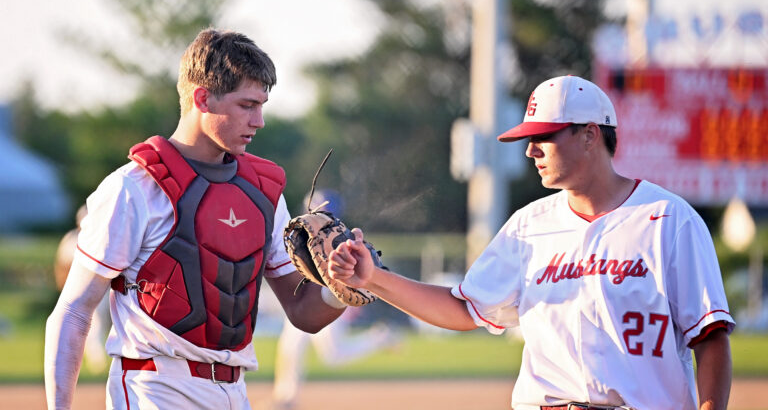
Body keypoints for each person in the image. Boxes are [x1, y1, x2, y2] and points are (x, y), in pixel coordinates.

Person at [328, 75, 735, 410]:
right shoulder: (529, 226)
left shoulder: (669, 220)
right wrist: (373, 277)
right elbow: (464, 308)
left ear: (589, 135)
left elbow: (709, 337)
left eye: (544, 136)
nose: (530, 150)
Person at [44, 28, 347, 410]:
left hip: (235, 392)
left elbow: (303, 312)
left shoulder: (264, 191)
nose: (259, 120)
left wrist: (342, 285)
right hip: (155, 389)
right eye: (247, 105)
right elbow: (72, 311)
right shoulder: (134, 188)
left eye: (262, 105)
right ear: (202, 98)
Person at [271, 189, 400, 410]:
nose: (316, 215)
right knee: (291, 346)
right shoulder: (300, 232)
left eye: (322, 211)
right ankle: (286, 398)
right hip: (303, 298)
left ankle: (380, 337)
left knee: (333, 355)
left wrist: (348, 302)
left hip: (327, 301)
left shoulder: (339, 238)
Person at [52, 205, 111, 373]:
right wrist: (63, 287)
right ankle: (96, 359)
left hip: (102, 286)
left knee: (104, 320)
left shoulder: (102, 236)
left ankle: (100, 356)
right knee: (92, 322)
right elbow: (62, 265)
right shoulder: (72, 239)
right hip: (80, 287)